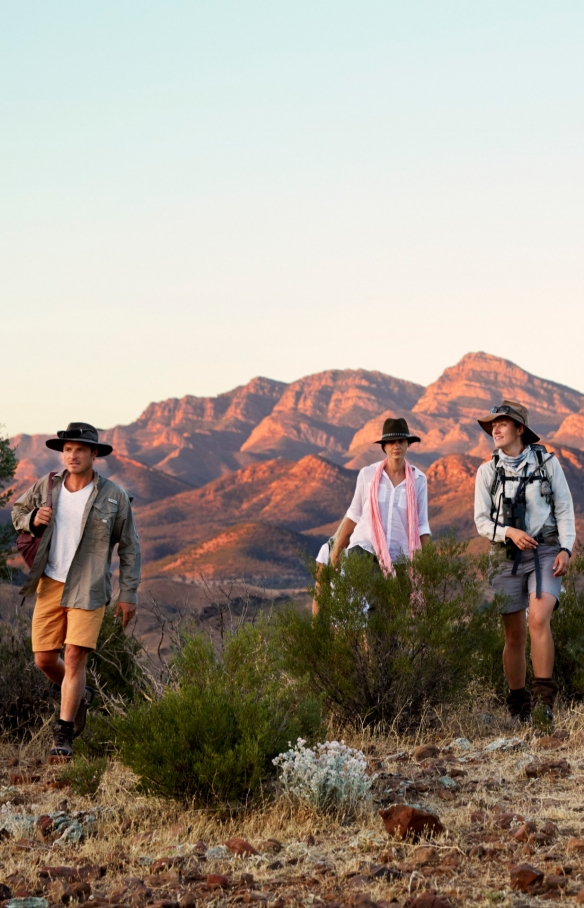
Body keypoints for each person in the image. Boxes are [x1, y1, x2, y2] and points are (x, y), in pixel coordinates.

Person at [12, 423, 141, 761]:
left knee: (73, 657)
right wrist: (33, 520)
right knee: (44, 659)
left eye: (80, 449)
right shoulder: (48, 485)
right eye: (67, 449)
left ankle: (63, 736)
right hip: (50, 581)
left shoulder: (113, 496)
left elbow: (130, 548)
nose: (72, 455)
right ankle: (80, 696)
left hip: (90, 585)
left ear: (94, 454)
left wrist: (129, 593)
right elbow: (17, 512)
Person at [474, 400, 576, 725]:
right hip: (505, 556)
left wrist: (567, 549)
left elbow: (564, 508)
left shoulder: (547, 463)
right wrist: (508, 532)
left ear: (520, 429)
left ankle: (545, 705)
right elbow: (480, 521)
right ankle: (519, 709)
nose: (495, 429)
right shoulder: (487, 472)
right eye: (492, 424)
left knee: (539, 620)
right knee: (514, 634)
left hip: (546, 551)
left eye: (502, 423)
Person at [331, 417, 431, 573]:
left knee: (396, 597)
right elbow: (354, 514)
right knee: (358, 594)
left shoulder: (419, 480)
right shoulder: (367, 474)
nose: (396, 446)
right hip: (365, 549)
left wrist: (426, 562)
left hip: (399, 556)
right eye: (391, 442)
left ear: (408, 444)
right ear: (384, 446)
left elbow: (422, 523)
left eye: (401, 441)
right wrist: (338, 549)